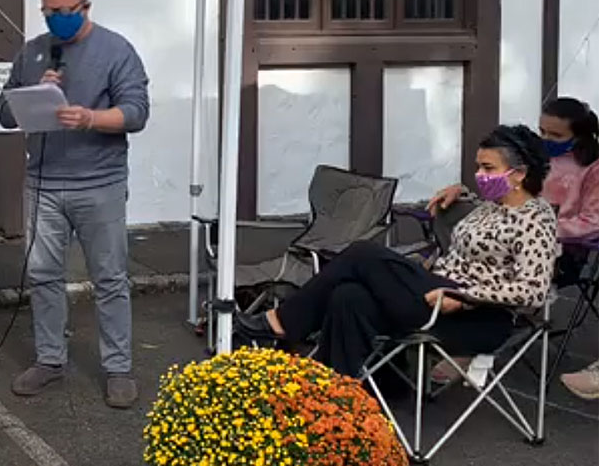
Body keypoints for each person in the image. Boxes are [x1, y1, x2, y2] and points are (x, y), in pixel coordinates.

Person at [235, 125, 559, 379]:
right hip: (435, 293)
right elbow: (479, 230)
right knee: (348, 296)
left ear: (519, 173)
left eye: (488, 168)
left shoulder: (536, 220)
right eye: (478, 167)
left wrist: (466, 297)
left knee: (363, 253)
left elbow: (533, 290)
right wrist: (460, 191)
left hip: (473, 315)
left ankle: (283, 321)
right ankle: (338, 396)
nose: (480, 176)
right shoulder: (489, 207)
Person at [0, 0, 150, 409]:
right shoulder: (33, 52)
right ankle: (50, 360)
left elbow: (136, 112)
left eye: (69, 11)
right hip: (43, 183)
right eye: (52, 12)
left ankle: (118, 368)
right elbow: (5, 111)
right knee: (43, 274)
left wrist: (90, 119)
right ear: (42, 10)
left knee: (110, 277)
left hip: (99, 182)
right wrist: (31, 91)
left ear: (86, 6)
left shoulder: (116, 50)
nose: (60, 19)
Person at [430, 98, 599, 395]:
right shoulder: (533, 160)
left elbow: (592, 220)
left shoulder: (592, 169)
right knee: (456, 220)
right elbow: (506, 197)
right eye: (542, 132)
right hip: (505, 241)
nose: (545, 140)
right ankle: (465, 331)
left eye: (556, 136)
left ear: (581, 135)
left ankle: (472, 339)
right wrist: (465, 192)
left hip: (558, 252)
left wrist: (536, 228)